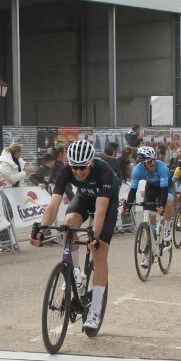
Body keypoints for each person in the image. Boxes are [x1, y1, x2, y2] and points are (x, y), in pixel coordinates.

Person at [30, 139, 118, 333]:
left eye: (83, 167)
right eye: (75, 167)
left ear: (91, 163)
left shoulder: (104, 172)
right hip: (84, 199)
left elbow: (101, 210)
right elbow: (53, 205)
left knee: (100, 251)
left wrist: (94, 237)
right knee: (69, 223)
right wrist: (41, 230)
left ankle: (94, 310)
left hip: (106, 203)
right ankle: (76, 273)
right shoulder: (65, 171)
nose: (78, 172)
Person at [129, 144, 174, 242]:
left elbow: (164, 189)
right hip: (152, 187)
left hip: (166, 186)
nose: (153, 164)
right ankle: (147, 253)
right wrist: (128, 206)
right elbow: (133, 190)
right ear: (142, 162)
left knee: (168, 201)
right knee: (150, 222)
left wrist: (162, 205)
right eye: (149, 162)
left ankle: (167, 227)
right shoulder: (137, 170)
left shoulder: (161, 167)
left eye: (154, 160)